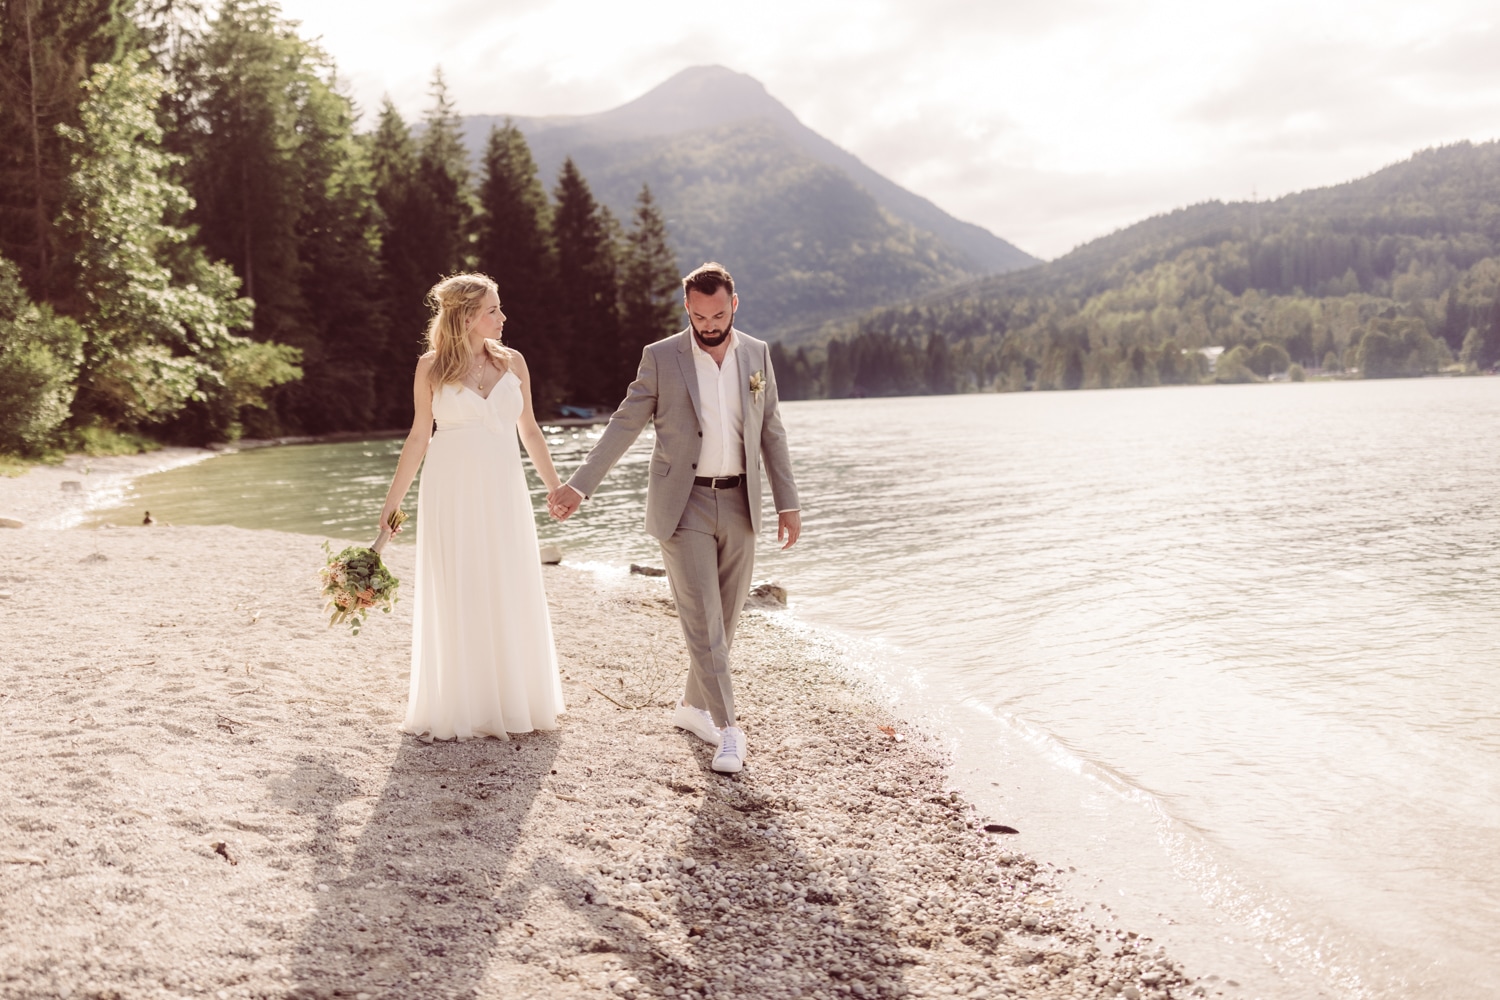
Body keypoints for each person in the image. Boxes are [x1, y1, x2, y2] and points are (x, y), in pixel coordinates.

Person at [550, 262, 800, 773]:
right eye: (700, 315)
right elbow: (624, 424)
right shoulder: (661, 358)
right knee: (703, 619)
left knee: (726, 622)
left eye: (719, 313)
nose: (710, 324)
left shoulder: (757, 354)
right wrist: (580, 485)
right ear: (687, 308)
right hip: (681, 505)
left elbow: (770, 427)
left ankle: (690, 707)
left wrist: (787, 501)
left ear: (735, 304)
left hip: (741, 503)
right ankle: (730, 730)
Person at [378, 273, 566, 741]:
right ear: (465, 316)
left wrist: (556, 488)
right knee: (460, 587)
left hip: (504, 490)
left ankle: (513, 700)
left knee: (508, 581)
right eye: (493, 310)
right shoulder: (431, 367)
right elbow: (419, 437)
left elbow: (531, 432)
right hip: (451, 492)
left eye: (499, 308)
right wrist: (391, 506)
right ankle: (463, 705)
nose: (502, 318)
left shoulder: (514, 361)